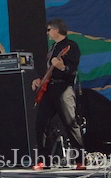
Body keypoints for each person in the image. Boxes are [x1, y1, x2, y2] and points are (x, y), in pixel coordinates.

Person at [31, 18, 85, 169]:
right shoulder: (52, 48)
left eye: (49, 30)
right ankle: (44, 160)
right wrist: (40, 80)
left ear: (56, 30)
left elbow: (72, 70)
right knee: (41, 123)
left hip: (63, 89)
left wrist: (62, 67)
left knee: (70, 124)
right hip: (49, 89)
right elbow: (49, 71)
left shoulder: (71, 46)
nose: (47, 33)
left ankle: (80, 160)